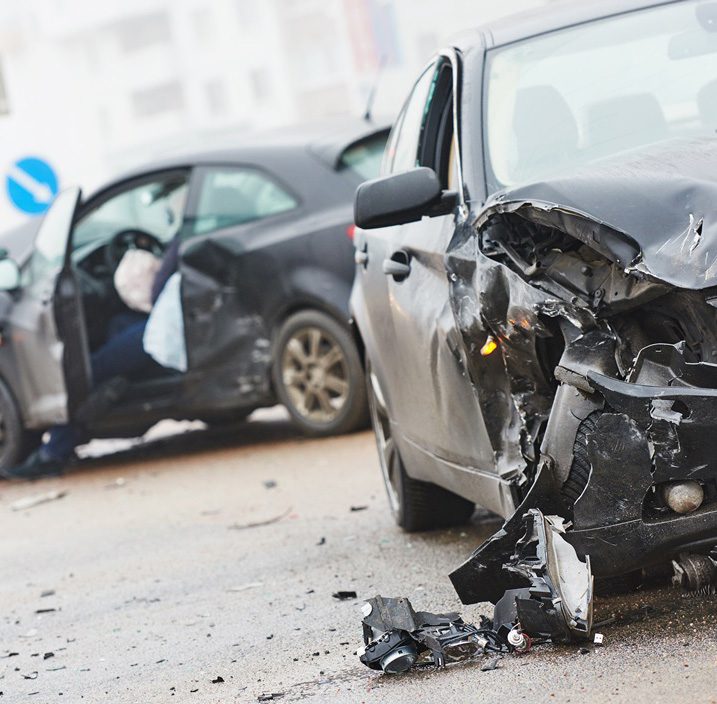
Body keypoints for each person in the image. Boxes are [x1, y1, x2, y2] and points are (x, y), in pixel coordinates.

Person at [2, 235, 182, 480]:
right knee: (117, 325)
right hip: (167, 318)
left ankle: (53, 454)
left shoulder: (189, 235)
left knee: (87, 373)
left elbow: (158, 290)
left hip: (167, 325)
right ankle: (118, 385)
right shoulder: (195, 230)